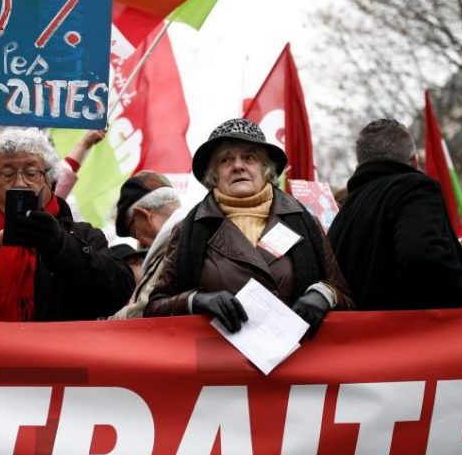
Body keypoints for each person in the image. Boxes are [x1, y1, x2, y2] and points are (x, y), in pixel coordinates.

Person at [145, 118, 352, 335]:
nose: (238, 166)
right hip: (217, 355)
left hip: (295, 353)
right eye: (226, 160)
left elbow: (345, 296)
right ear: (214, 175)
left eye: (249, 157)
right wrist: (196, 300)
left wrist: (323, 295)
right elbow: (154, 307)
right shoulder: (188, 229)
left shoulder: (305, 223)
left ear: (266, 169)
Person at [0, 128, 134, 321]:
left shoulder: (82, 234)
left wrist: (60, 245)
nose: (20, 182)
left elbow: (116, 293)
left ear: (49, 178)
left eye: (31, 173)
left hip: (55, 356)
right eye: (7, 174)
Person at [328, 118, 462, 310]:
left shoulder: (343, 214)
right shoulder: (414, 188)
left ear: (359, 165)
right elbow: (423, 256)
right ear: (414, 161)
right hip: (419, 325)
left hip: (359, 327)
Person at [109, 171, 185, 319]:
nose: (142, 244)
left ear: (144, 215)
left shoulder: (172, 253)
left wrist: (102, 324)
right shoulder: (204, 228)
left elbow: (144, 310)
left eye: (135, 233)